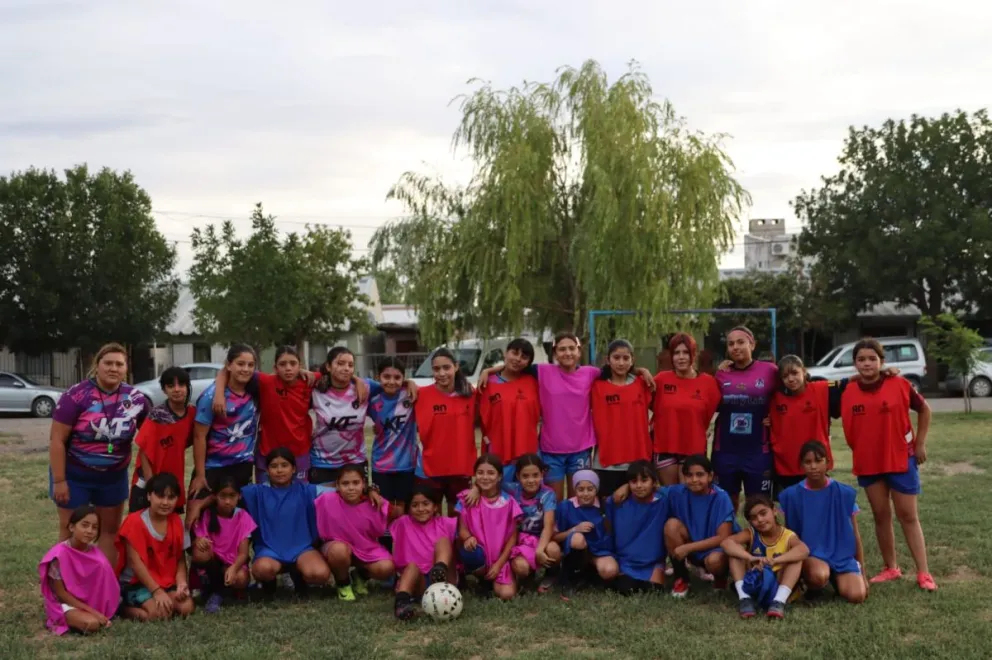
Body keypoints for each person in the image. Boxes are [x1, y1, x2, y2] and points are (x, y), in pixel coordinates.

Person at [479, 332, 655, 500]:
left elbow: (619, 366)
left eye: (572, 348)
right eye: (562, 349)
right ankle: (556, 531)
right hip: (551, 450)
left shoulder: (591, 373)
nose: (567, 353)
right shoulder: (542, 371)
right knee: (554, 501)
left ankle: (575, 532)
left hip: (580, 449)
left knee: (577, 500)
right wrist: (489, 371)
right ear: (555, 353)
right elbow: (516, 365)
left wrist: (640, 371)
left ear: (579, 352)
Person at [840, 338, 936, 591]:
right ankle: (891, 567)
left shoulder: (899, 383)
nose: (867, 363)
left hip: (900, 459)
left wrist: (920, 444)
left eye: (872, 358)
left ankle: (923, 572)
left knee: (908, 516)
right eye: (861, 359)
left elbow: (924, 409)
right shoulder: (848, 389)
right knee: (881, 515)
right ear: (855, 364)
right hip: (869, 462)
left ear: (882, 362)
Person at [49, 342, 151, 563]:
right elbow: (56, 440)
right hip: (75, 475)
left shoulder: (136, 399)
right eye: (108, 363)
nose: (113, 368)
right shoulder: (76, 396)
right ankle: (64, 585)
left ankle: (104, 585)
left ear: (126, 368)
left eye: (119, 364)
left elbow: (152, 437)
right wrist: (59, 481)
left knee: (109, 533)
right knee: (72, 532)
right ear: (97, 365)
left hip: (113, 477)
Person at [188, 448, 332, 600]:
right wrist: (200, 505)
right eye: (274, 466)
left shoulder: (306, 490)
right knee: (262, 570)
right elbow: (228, 493)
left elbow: (335, 491)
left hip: (302, 548)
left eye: (284, 465)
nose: (279, 470)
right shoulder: (256, 492)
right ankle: (269, 584)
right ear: (267, 470)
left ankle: (298, 575)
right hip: (269, 549)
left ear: (294, 469)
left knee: (320, 573)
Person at [212, 346, 318, 484]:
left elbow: (336, 373)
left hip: (299, 453)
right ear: (275, 368)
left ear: (300, 365)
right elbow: (226, 370)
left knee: (297, 499)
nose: (288, 368)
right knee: (265, 499)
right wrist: (219, 394)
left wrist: (357, 382)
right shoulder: (266, 382)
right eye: (282, 364)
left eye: (293, 364)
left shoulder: (308, 381)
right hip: (267, 453)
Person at [779, 441, 868, 604]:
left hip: (841, 555)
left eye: (818, 461)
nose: (813, 466)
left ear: (828, 462)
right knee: (818, 576)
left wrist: (863, 574)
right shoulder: (791, 495)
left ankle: (838, 576)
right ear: (801, 465)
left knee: (857, 596)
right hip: (812, 554)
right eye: (808, 462)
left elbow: (855, 535)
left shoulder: (843, 493)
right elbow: (788, 537)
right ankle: (812, 582)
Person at [464, 454, 561, 589]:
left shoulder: (547, 494)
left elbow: (549, 525)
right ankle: (527, 578)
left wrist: (540, 549)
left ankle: (552, 574)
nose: (531, 480)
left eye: (535, 475)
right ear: (517, 476)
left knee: (553, 549)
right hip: (520, 540)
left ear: (542, 474)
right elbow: (490, 481)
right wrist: (476, 488)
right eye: (525, 476)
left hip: (541, 538)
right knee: (520, 567)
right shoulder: (512, 489)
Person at [711, 326, 779, 511]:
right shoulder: (721, 373)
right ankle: (728, 539)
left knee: (759, 505)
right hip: (725, 451)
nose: (735, 347)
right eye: (731, 344)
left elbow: (792, 392)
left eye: (741, 342)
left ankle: (760, 540)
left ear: (753, 344)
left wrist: (777, 417)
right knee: (725, 504)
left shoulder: (770, 371)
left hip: (758, 452)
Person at [116, 473, 195, 621]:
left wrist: (181, 584)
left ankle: (160, 599)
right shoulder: (134, 522)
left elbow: (179, 560)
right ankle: (124, 609)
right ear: (148, 496)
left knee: (186, 608)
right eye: (160, 496)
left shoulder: (177, 522)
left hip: (165, 581)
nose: (165, 502)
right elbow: (135, 563)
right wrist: (157, 591)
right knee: (159, 614)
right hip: (137, 583)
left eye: (171, 497)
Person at [722, 494, 808, 619]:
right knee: (735, 553)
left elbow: (803, 550)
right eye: (754, 518)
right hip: (755, 584)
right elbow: (726, 543)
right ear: (750, 522)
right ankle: (745, 599)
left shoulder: (788, 535)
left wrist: (774, 560)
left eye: (763, 513)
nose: (760, 520)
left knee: (796, 558)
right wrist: (750, 557)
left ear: (774, 511)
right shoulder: (751, 533)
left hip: (778, 584)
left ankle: (779, 602)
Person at [766, 355, 842, 495]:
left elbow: (849, 384)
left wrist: (883, 373)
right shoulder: (773, 398)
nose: (790, 379)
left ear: (804, 371)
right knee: (792, 511)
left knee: (818, 505)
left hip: (815, 463)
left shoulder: (820, 390)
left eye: (794, 373)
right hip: (785, 465)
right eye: (785, 376)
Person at [414, 349, 478, 515]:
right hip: (430, 468)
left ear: (456, 367)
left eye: (446, 367)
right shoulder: (420, 395)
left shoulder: (470, 394)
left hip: (462, 467)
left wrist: (488, 370)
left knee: (458, 519)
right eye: (436, 369)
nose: (442, 373)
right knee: (430, 517)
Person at [316, 466, 394, 602]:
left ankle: (360, 576)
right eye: (345, 484)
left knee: (386, 568)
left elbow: (391, 512)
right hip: (335, 547)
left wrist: (372, 490)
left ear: (363, 484)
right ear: (337, 485)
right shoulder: (326, 500)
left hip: (365, 548)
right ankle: (343, 584)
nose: (351, 488)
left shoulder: (373, 503)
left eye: (356, 483)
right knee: (339, 551)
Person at [652, 334, 721, 486]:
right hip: (665, 446)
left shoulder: (708, 383)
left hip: (693, 447)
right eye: (677, 353)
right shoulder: (660, 380)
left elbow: (709, 413)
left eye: (686, 353)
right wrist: (641, 371)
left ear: (693, 355)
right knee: (670, 495)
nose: (681, 357)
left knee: (689, 496)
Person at [190, 344, 259, 496]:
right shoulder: (211, 397)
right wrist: (200, 475)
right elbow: (199, 436)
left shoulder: (255, 388)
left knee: (239, 516)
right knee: (201, 516)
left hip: (243, 465)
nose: (246, 369)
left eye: (250, 365)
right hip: (214, 466)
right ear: (229, 365)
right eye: (240, 364)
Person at [664, 454, 737, 597]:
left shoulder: (721, 497)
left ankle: (720, 578)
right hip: (692, 547)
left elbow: (723, 537)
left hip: (715, 550)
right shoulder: (676, 492)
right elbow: (651, 489)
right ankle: (682, 578)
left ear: (710, 476)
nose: (694, 480)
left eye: (700, 475)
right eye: (689, 475)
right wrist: (625, 488)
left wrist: (688, 547)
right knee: (671, 525)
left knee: (714, 561)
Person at [39, 505, 119, 635]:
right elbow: (61, 594)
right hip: (64, 603)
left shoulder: (98, 558)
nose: (89, 531)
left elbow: (107, 586)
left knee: (95, 621)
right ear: (72, 527)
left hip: (90, 604)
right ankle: (61, 619)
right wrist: (94, 613)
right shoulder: (58, 555)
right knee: (91, 624)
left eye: (94, 527)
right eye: (84, 525)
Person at [591, 339, 653, 499]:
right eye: (616, 358)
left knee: (637, 509)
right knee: (609, 510)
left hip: (637, 460)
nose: (621, 362)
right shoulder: (596, 386)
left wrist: (641, 371)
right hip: (607, 462)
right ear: (608, 360)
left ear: (633, 360)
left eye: (626, 358)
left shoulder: (643, 384)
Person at [456, 454, 523, 601]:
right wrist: (468, 538)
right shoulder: (468, 498)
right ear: (475, 475)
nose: (485, 477)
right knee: (471, 551)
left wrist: (499, 565)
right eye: (480, 473)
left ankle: (502, 576)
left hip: (500, 559)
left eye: (491, 473)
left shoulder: (508, 502)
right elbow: (461, 529)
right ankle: (481, 579)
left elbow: (512, 537)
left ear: (499, 477)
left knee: (507, 595)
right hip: (479, 554)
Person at [130, 367, 194, 513]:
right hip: (148, 481)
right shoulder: (157, 415)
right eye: (171, 386)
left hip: (172, 480)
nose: (177, 390)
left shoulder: (192, 414)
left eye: (181, 385)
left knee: (170, 527)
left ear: (187, 387)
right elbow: (144, 453)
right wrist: (150, 484)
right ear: (164, 390)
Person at [477, 338, 541, 483]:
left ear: (528, 363)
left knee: (528, 501)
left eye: (524, 357)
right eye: (514, 353)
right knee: (499, 499)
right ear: (506, 353)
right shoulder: (487, 383)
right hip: (499, 452)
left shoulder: (534, 381)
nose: (518, 359)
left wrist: (488, 369)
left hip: (527, 452)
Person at [390, 486, 459, 620]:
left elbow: (468, 520)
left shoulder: (446, 523)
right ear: (408, 509)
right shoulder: (402, 523)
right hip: (418, 582)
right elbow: (382, 512)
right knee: (411, 567)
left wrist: (475, 491)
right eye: (415, 505)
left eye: (426, 504)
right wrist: (371, 492)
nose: (421, 509)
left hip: (444, 582)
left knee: (443, 541)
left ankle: (439, 570)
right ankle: (401, 604)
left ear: (435, 507)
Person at [190, 477, 256, 614]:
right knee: (200, 552)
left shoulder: (243, 516)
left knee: (241, 578)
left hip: (232, 562)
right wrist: (199, 541)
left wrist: (234, 568)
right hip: (214, 561)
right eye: (223, 496)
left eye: (232, 496)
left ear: (239, 496)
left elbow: (244, 553)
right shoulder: (208, 515)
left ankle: (218, 592)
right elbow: (199, 539)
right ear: (215, 497)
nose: (227, 501)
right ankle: (216, 592)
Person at [309, 347, 371, 486]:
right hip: (323, 462)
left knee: (354, 506)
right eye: (340, 363)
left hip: (356, 461)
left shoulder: (366, 387)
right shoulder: (315, 389)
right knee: (324, 506)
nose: (346, 368)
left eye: (350, 365)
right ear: (328, 366)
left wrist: (408, 383)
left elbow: (392, 385)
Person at [606, 460, 669, 595]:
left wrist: (627, 486)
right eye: (634, 481)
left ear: (654, 482)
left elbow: (682, 489)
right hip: (625, 561)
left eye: (644, 480)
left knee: (655, 591)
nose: (639, 486)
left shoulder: (664, 499)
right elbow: (608, 529)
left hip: (653, 562)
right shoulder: (618, 501)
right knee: (625, 589)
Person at [553, 470, 617, 599]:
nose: (585, 494)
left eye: (590, 489)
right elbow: (555, 537)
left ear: (596, 489)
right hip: (576, 549)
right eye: (581, 489)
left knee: (609, 571)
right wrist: (574, 529)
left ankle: (590, 575)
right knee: (577, 538)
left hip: (599, 551)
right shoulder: (565, 506)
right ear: (574, 489)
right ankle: (570, 580)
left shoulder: (605, 506)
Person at [368, 357, 420, 519]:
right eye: (386, 377)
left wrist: (410, 383)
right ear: (378, 377)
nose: (392, 382)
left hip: (407, 464)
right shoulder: (372, 400)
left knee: (405, 510)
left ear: (403, 378)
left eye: (397, 377)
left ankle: (404, 543)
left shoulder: (411, 396)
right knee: (384, 509)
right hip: (381, 465)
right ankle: (385, 543)